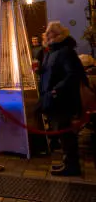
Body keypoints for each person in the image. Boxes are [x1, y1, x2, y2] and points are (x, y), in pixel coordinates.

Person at [37, 22, 87, 176]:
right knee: (61, 132)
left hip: (62, 99)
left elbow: (72, 74)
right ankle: (67, 162)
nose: (50, 36)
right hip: (53, 98)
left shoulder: (65, 51)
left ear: (60, 35)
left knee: (67, 133)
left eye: (53, 33)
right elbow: (51, 71)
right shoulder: (50, 51)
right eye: (48, 33)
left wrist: (55, 89)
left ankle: (72, 166)